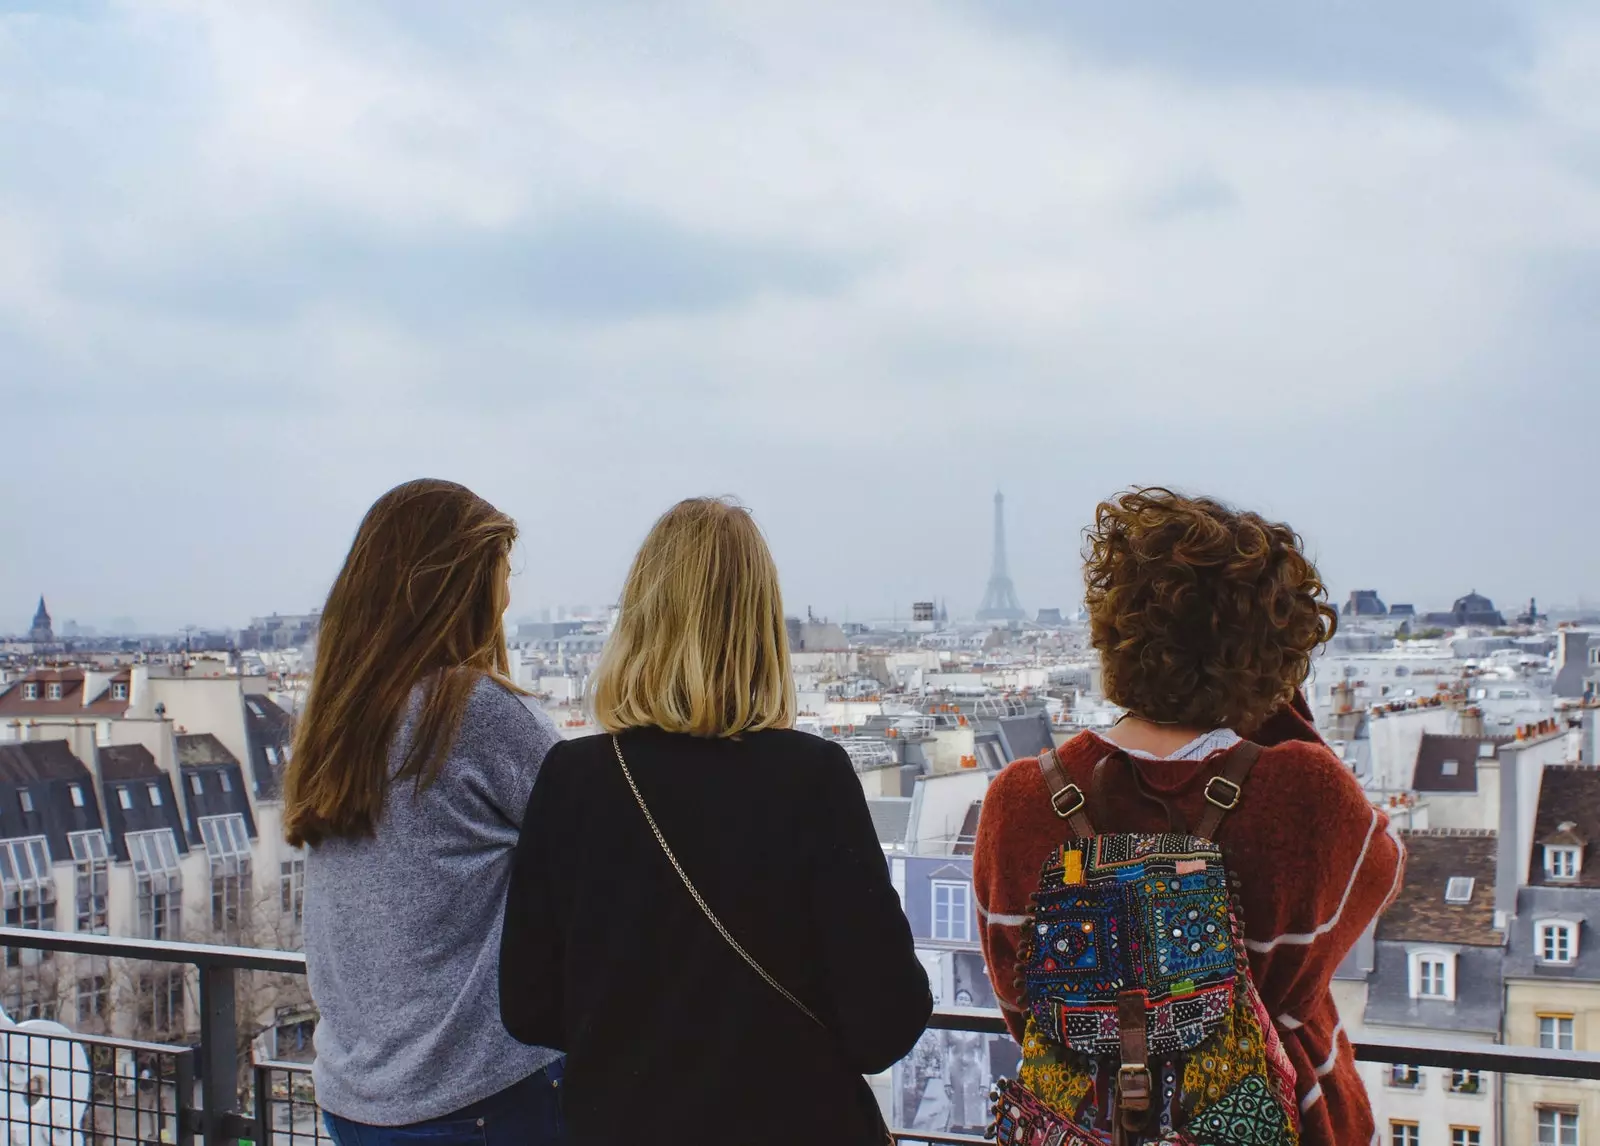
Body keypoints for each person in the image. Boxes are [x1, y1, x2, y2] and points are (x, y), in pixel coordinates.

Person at [974, 488, 1404, 1146]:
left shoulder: (1019, 799)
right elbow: (1383, 872)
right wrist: (1278, 713)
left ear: (1114, 628)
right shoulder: (1305, 793)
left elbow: (1021, 1007)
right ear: (1274, 655)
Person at [500, 497, 931, 1145]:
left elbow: (529, 1005)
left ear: (640, 619)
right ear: (761, 625)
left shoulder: (573, 778)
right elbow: (886, 1022)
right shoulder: (811, 779)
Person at [284, 479, 565, 1146]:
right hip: (475, 1096)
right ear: (458, 594)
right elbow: (600, 843)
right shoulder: (473, 713)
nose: (506, 604)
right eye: (497, 587)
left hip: (358, 1096)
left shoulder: (340, 716)